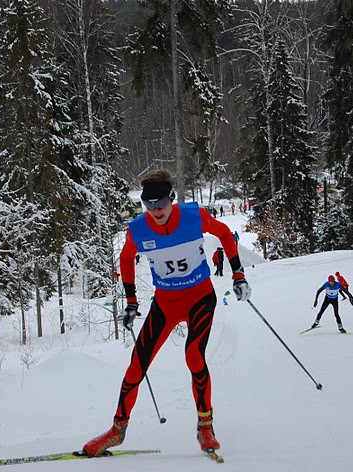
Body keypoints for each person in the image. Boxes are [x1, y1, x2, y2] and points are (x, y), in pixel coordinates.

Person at [82, 169, 251, 457]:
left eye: (160, 203)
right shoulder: (138, 228)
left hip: (200, 298)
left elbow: (223, 233)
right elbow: (125, 258)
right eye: (149, 205)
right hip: (165, 303)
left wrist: (238, 273)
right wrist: (132, 301)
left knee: (194, 356)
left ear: (171, 198)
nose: (156, 211)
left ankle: (205, 426)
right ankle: (117, 430)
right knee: (137, 364)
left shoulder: (192, 216)